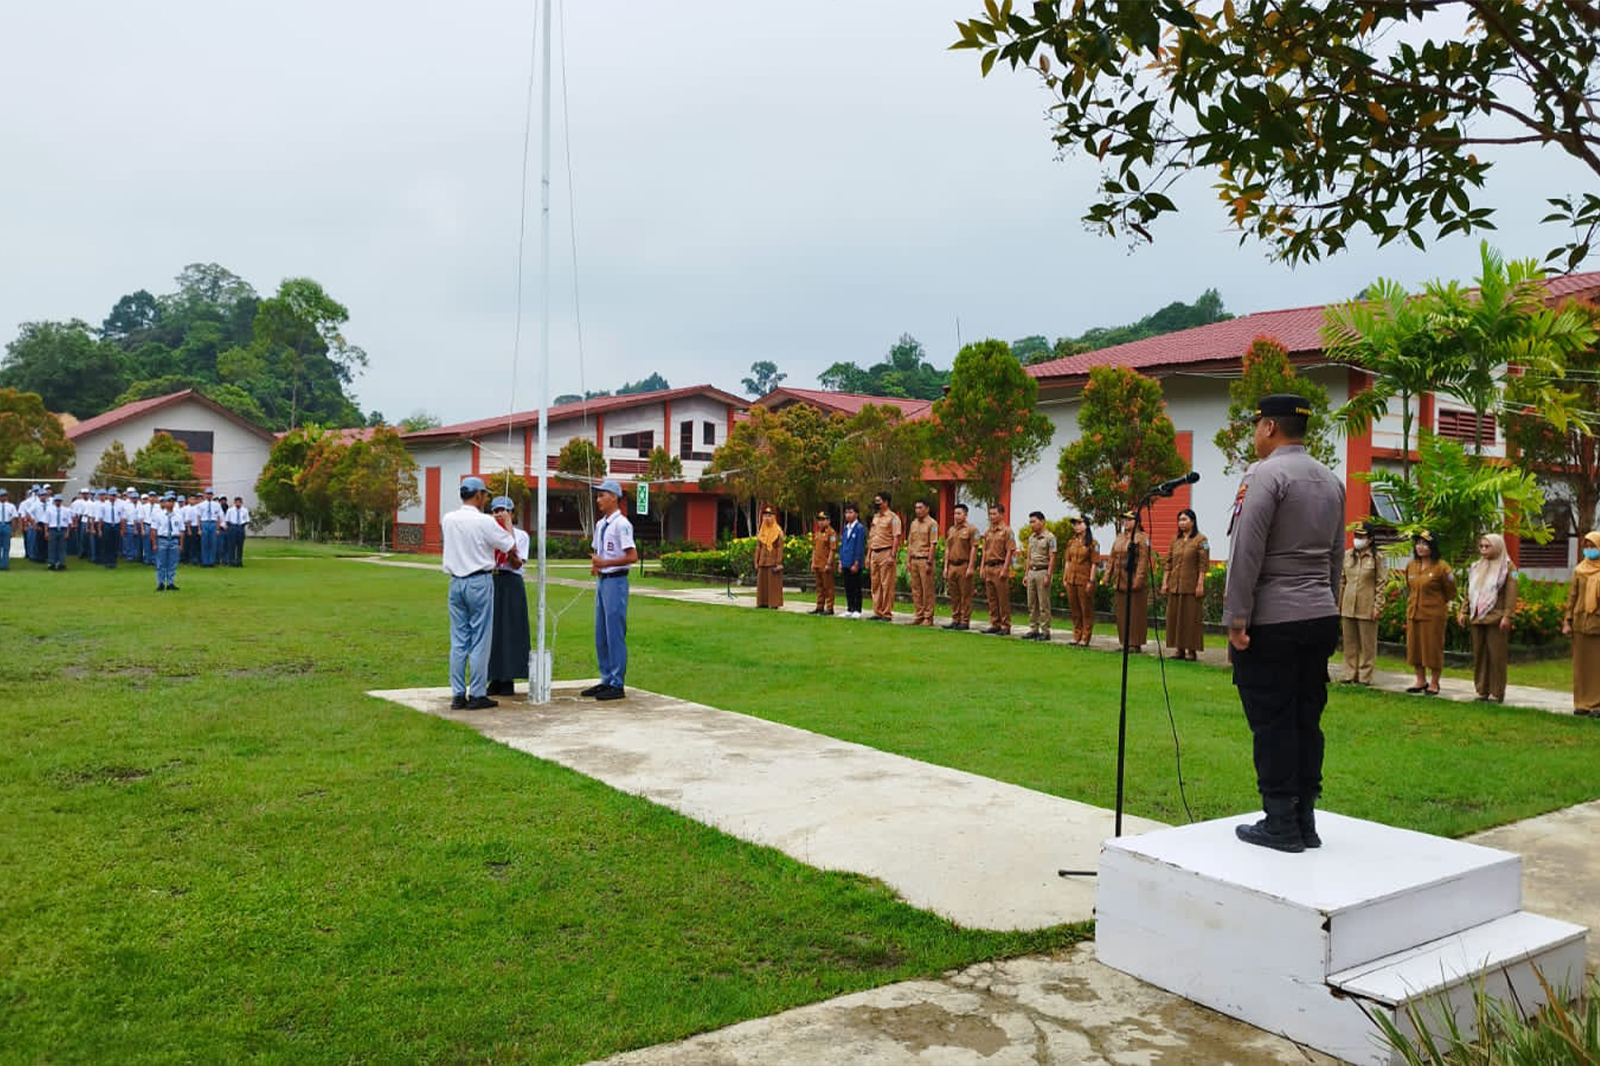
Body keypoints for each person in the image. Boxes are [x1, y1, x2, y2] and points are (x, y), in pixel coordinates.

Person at [1224, 394, 1345, 853]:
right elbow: (1335, 555)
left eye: (1256, 426)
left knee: (1272, 720)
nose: (1255, 434)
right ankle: (1304, 818)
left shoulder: (1263, 475)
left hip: (1273, 617)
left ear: (1270, 427)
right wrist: (1328, 604)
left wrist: (1236, 616)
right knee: (1305, 718)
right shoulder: (1330, 480)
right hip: (1319, 613)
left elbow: (1246, 550)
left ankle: (1280, 821)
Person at [441, 475, 516, 710]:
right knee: (480, 639)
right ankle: (477, 693)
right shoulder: (484, 521)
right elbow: (509, 545)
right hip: (479, 581)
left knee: (458, 640)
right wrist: (507, 523)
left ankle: (457, 694)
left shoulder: (448, 519)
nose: (485, 499)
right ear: (477, 495)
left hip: (456, 582)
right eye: (484, 494)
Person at [587, 479, 637, 700]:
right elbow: (599, 552)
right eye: (597, 496)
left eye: (602, 495)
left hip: (616, 581)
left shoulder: (622, 524)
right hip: (603, 581)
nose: (598, 499)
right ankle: (606, 678)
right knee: (601, 632)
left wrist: (605, 563)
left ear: (614, 497)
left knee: (614, 632)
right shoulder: (601, 525)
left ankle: (617, 682)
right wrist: (596, 566)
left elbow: (632, 556)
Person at [1456, 533, 1518, 703]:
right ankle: (1482, 690)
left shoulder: (1509, 568)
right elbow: (1470, 591)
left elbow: (1511, 594)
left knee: (1496, 656)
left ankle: (1497, 692)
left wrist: (1507, 616)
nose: (1483, 550)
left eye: (1487, 546)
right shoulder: (1476, 566)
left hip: (1496, 618)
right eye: (1481, 546)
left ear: (1497, 547)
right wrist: (1463, 611)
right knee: (1480, 655)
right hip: (1477, 616)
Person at [486, 496, 531, 697]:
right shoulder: (487, 533)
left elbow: (516, 562)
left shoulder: (521, 536)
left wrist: (508, 533)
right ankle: (493, 676)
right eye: (496, 510)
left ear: (512, 513)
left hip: (511, 581)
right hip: (492, 579)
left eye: (504, 510)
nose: (499, 514)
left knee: (511, 630)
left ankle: (508, 677)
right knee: (492, 629)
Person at [1403, 531, 1456, 696]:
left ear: (1432, 547)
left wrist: (1437, 604)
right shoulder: (1411, 565)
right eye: (1418, 543)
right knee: (1415, 648)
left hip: (1433, 615)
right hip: (1414, 613)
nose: (1420, 547)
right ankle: (1420, 680)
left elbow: (1450, 591)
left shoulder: (1442, 567)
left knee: (1432, 648)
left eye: (1425, 544)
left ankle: (1434, 682)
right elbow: (1409, 587)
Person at [1337, 521, 1386, 685]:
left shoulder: (1377, 558)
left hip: (1367, 605)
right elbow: (1342, 581)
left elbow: (1381, 583)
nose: (1358, 539)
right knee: (1349, 643)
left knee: (1367, 644)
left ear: (1370, 539)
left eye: (1362, 536)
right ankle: (1349, 673)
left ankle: (1365, 676)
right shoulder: (1348, 555)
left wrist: (1378, 606)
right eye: (1356, 535)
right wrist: (1339, 604)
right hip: (1348, 604)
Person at [1562, 531, 1600, 717]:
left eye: (1593, 546)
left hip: (1597, 624)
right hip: (1580, 624)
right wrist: (1567, 621)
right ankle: (1582, 703)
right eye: (1587, 546)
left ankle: (1597, 704)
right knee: (1581, 666)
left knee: (1597, 667)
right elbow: (1572, 597)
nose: (1589, 550)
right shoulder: (1579, 570)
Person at [1162, 508, 1209, 660]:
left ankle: (1191, 650)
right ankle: (1179, 649)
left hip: (1191, 585)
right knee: (1175, 617)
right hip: (1175, 585)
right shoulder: (1175, 540)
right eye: (1179, 520)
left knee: (1190, 618)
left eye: (1184, 519)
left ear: (1192, 521)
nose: (1181, 523)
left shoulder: (1201, 540)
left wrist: (1200, 584)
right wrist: (1165, 582)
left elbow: (1203, 564)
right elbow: (1168, 562)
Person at [1107, 512, 1152, 651]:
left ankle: (1135, 643)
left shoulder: (1143, 538)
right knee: (1122, 613)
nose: (1125, 522)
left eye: (1129, 519)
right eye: (1124, 520)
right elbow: (1112, 557)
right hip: (1120, 580)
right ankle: (1125, 642)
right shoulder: (1120, 537)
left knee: (1135, 613)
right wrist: (1107, 576)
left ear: (1137, 521)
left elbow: (1143, 560)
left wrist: (1139, 580)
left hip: (1133, 580)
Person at [977, 504, 1015, 635]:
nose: (992, 517)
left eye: (994, 514)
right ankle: (995, 623)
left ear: (1002, 514)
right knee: (991, 599)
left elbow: (1010, 551)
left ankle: (1005, 625)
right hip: (989, 566)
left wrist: (1005, 569)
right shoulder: (988, 532)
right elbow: (984, 550)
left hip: (1000, 566)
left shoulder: (1007, 531)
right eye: (990, 514)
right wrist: (982, 567)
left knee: (1002, 598)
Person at [1062, 517, 1098, 646]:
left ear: (1086, 525)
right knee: (1074, 608)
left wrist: (1091, 581)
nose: (1076, 526)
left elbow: (1094, 564)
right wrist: (1065, 577)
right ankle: (1076, 634)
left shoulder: (1093, 544)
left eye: (1079, 523)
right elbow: (1068, 561)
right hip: (1071, 579)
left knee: (1085, 609)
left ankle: (1085, 636)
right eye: (1074, 524)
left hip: (1084, 579)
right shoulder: (1071, 542)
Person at [866, 492, 902, 621]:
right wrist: (868, 555)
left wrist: (893, 555)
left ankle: (886, 612)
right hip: (874, 552)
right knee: (875, 584)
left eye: (879, 501)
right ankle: (877, 611)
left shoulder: (893, 518)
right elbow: (872, 537)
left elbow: (896, 537)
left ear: (886, 502)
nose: (876, 504)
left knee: (887, 584)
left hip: (886, 551)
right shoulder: (875, 517)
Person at [1022, 511, 1057, 641]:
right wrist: (1026, 574)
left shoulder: (1050, 537)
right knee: (1031, 603)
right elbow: (1028, 557)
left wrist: (1049, 574)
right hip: (1032, 571)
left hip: (1043, 571)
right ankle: (1033, 629)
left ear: (1042, 521)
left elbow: (1052, 557)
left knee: (1043, 603)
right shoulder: (1031, 538)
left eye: (1034, 521)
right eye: (1030, 522)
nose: (1031, 524)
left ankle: (1045, 631)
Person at [942, 503, 977, 631]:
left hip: (964, 565)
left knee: (965, 595)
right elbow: (947, 548)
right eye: (955, 513)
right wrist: (945, 567)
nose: (956, 516)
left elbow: (974, 548)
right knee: (954, 595)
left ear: (965, 515)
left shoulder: (972, 530)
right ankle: (955, 619)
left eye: (959, 513)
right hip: (952, 565)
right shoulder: (951, 530)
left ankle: (964, 620)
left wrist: (971, 566)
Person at [906, 499, 939, 625]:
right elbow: (910, 543)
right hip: (914, 559)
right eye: (916, 508)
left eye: (920, 507)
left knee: (927, 590)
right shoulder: (913, 523)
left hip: (925, 559)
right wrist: (908, 561)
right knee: (916, 590)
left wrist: (929, 562)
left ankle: (928, 617)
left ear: (927, 509)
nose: (918, 510)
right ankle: (918, 614)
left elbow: (933, 544)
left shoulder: (932, 524)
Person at [149, 493, 186, 591]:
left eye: (173, 501)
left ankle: (170, 583)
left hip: (174, 540)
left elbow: (181, 531)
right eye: (169, 501)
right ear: (164, 503)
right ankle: (160, 583)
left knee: (172, 563)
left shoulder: (178, 516)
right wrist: (154, 543)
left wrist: (181, 544)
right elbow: (154, 530)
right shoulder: (159, 515)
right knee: (161, 563)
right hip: (162, 539)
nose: (171, 503)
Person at [753, 507, 785, 609]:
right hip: (763, 560)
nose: (767, 518)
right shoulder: (761, 531)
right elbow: (758, 547)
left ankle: (774, 603)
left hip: (773, 561)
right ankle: (762, 602)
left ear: (773, 517)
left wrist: (779, 562)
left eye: (769, 516)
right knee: (762, 583)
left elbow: (780, 547)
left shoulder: (778, 531)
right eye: (765, 516)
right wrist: (756, 560)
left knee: (773, 584)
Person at [838, 504, 866, 619]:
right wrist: (840, 561)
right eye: (846, 513)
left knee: (856, 586)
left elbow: (859, 547)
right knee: (848, 586)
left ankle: (857, 609)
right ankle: (850, 608)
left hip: (854, 562)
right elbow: (843, 545)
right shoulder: (846, 528)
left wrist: (856, 562)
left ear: (856, 514)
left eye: (851, 512)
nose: (848, 515)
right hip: (846, 560)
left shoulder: (859, 528)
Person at [809, 511, 838, 615]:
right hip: (817, 564)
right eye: (819, 520)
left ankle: (830, 608)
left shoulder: (832, 533)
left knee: (828, 587)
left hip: (825, 564)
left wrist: (829, 564)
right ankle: (819, 606)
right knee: (819, 587)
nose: (820, 522)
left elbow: (832, 549)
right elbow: (814, 549)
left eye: (823, 520)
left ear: (828, 521)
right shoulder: (817, 533)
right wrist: (813, 562)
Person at [43, 494, 71, 570]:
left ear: (61, 501)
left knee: (62, 547)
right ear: (54, 501)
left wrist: (67, 532)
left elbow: (68, 522)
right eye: (56, 501)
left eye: (59, 501)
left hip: (62, 529)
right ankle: (51, 563)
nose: (58, 502)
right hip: (53, 529)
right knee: (52, 547)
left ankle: (61, 563)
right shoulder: (49, 510)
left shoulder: (66, 510)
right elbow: (46, 522)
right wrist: (46, 532)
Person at [225, 496, 250, 567]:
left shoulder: (244, 510)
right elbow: (227, 520)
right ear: (234, 502)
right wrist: (231, 527)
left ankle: (239, 562)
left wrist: (241, 526)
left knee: (240, 546)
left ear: (241, 503)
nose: (238, 504)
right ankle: (231, 562)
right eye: (236, 502)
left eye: (239, 502)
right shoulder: (230, 510)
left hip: (241, 527)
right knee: (231, 546)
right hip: (232, 527)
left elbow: (247, 520)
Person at [0, 488, 15, 570]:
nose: (3, 497)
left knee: (6, 547)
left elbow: (13, 518)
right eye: (1, 496)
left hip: (6, 525)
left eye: (4, 495)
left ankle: (4, 565)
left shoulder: (11, 506)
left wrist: (12, 530)